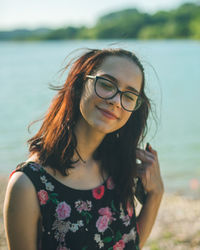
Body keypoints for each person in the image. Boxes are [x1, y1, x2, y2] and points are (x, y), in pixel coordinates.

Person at [3, 48, 164, 250]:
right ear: (79, 85)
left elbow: (128, 242)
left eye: (129, 96)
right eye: (106, 84)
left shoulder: (117, 168)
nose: (116, 101)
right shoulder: (28, 185)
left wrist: (156, 195)